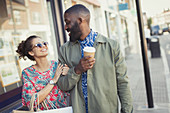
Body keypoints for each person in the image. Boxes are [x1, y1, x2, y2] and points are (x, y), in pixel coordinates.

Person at [57, 4, 133, 113]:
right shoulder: (64, 50)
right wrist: (77, 70)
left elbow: (123, 82)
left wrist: (127, 111)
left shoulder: (111, 46)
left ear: (80, 21)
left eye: (68, 22)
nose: (65, 27)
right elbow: (62, 85)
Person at [16, 35, 70, 110]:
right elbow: (31, 102)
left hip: (63, 110)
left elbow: (68, 90)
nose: (43, 46)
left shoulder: (57, 65)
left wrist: (68, 74)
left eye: (44, 43)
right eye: (38, 45)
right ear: (31, 52)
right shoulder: (28, 73)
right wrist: (53, 80)